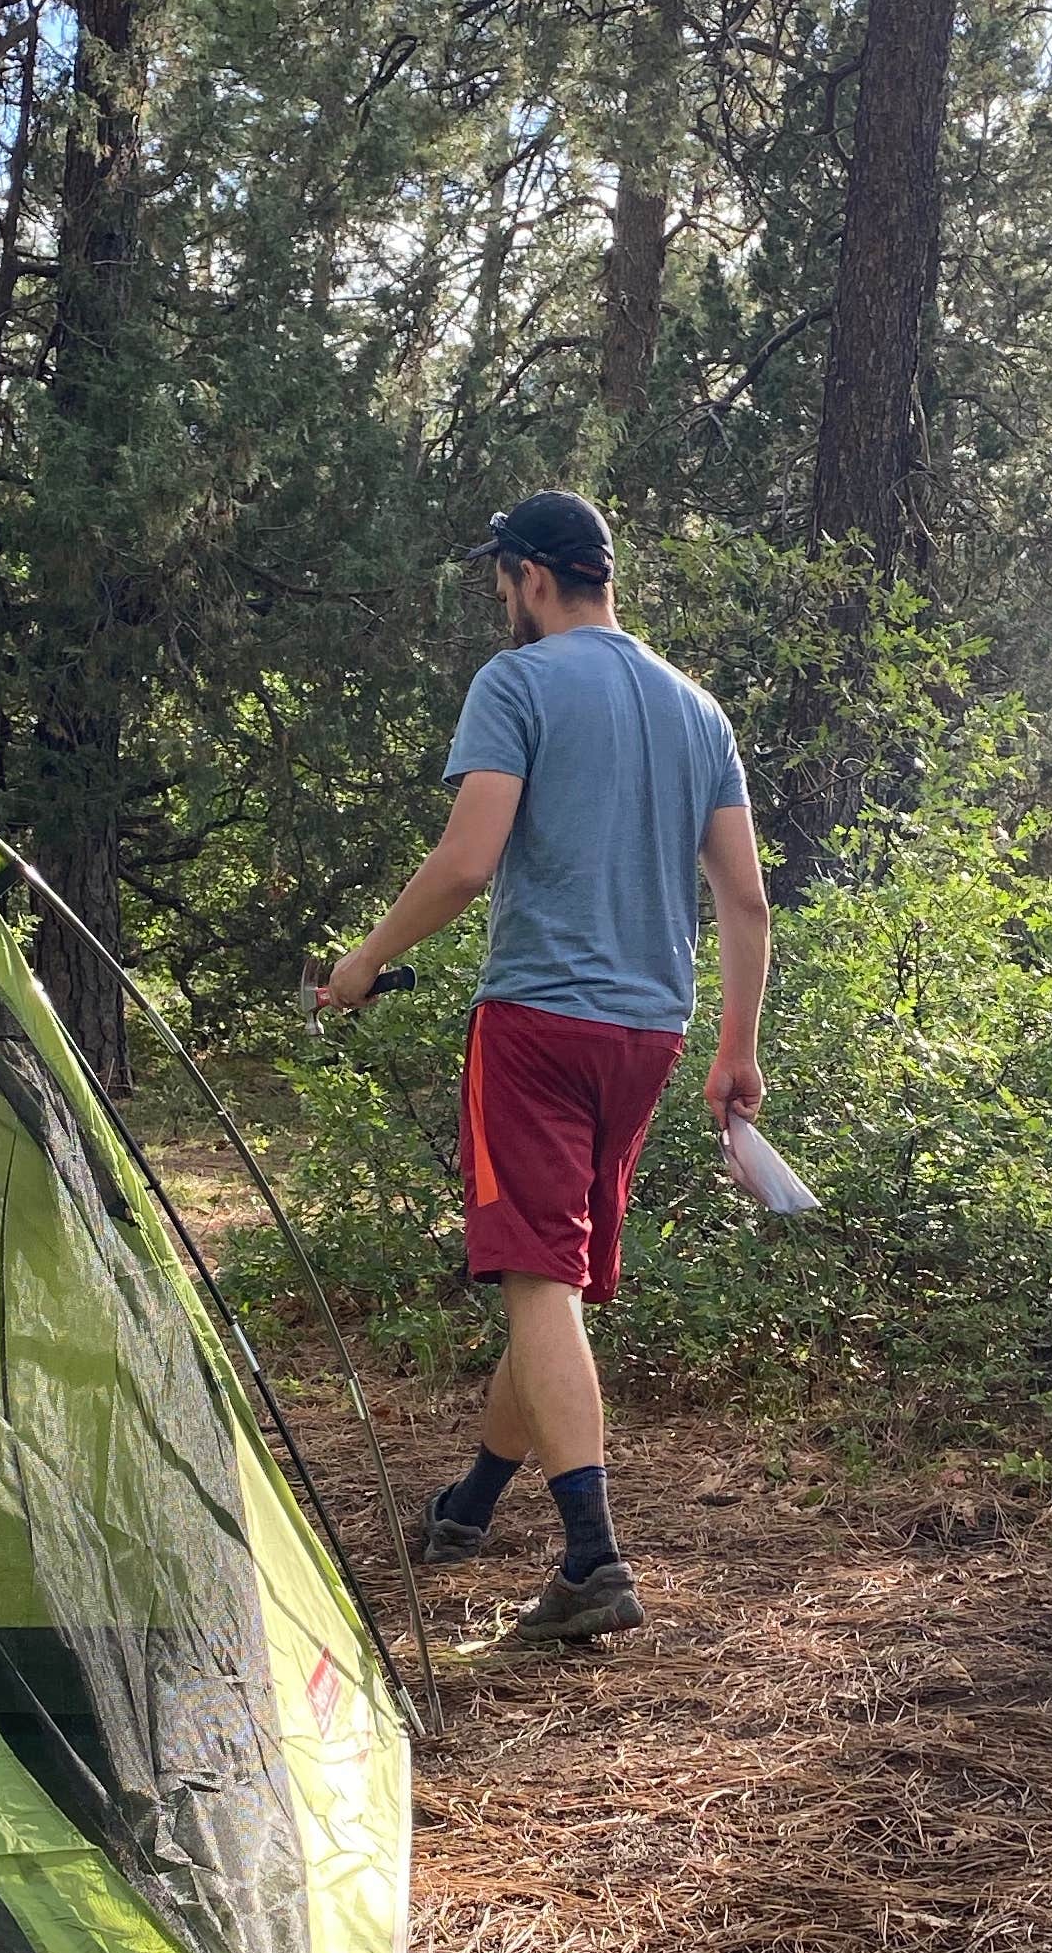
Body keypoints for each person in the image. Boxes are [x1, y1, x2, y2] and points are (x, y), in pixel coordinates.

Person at [317, 491, 770, 1645]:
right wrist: (735, 1051)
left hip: (534, 1023)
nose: (500, 599)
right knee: (552, 1282)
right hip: (648, 1036)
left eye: (500, 580)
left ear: (527, 575)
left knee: (538, 1282)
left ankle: (593, 1561)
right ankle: (468, 1508)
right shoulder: (697, 708)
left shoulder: (515, 685)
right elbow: (747, 900)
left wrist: (364, 964)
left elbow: (468, 862)